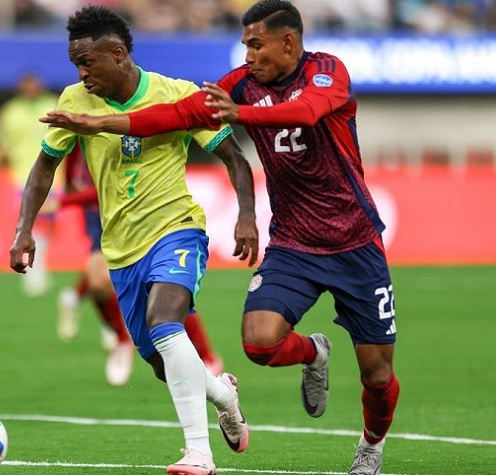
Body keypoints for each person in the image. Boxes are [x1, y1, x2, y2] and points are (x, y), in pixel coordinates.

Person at [40, 2, 401, 474]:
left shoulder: (326, 71)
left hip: (355, 241)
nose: (247, 54)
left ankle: (371, 445)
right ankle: (314, 351)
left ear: (288, 42)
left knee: (376, 374)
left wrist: (242, 115)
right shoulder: (238, 85)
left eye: (256, 44)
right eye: (245, 44)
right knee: (259, 343)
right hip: (293, 241)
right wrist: (99, 123)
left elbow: (310, 113)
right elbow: (174, 115)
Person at [11, 6, 257, 474]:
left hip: (176, 228)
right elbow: (45, 166)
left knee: (167, 324)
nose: (81, 73)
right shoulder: (74, 100)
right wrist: (24, 228)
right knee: (164, 362)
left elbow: (234, 157)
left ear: (119, 54)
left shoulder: (176, 95)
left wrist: (246, 214)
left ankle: (198, 454)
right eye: (75, 64)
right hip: (121, 249)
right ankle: (224, 394)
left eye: (88, 63)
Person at [53, 146, 225, 387]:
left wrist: (63, 201)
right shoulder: (83, 114)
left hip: (141, 213)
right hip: (102, 214)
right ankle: (122, 338)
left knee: (164, 289)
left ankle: (207, 356)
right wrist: (69, 179)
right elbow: (71, 140)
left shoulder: (125, 124)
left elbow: (116, 187)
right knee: (98, 282)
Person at [0, 71, 60, 296]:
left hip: (55, 175)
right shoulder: (10, 111)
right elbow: (3, 144)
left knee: (47, 225)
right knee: (33, 222)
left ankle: (37, 268)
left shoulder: (53, 104)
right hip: (23, 176)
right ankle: (35, 274)